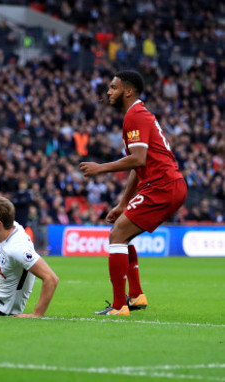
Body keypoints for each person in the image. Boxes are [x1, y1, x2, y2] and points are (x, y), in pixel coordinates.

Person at [80, 70, 187, 316]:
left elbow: (137, 159)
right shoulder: (137, 115)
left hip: (163, 185)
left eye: (113, 88)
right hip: (163, 184)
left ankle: (119, 306)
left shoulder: (135, 116)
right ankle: (136, 296)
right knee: (122, 231)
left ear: (128, 91)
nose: (108, 92)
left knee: (116, 236)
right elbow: (139, 167)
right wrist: (122, 204)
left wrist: (101, 168)